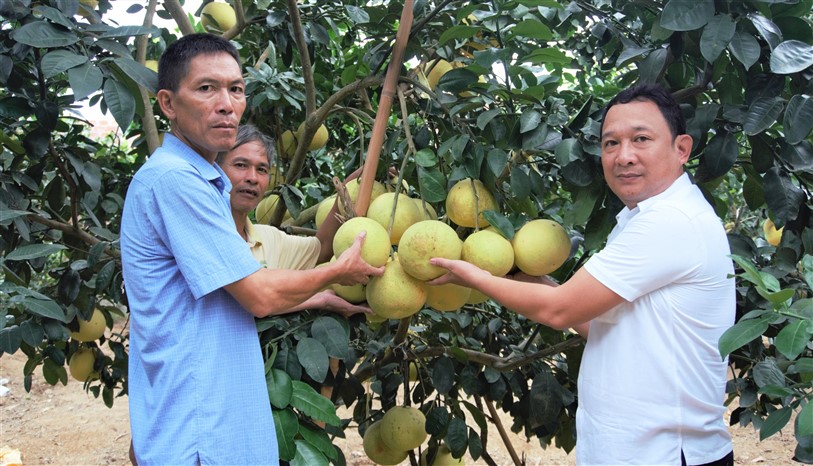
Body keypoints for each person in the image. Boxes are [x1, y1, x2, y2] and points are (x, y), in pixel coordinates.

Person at [429, 83, 735, 465]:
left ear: (681, 149)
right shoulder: (646, 217)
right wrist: (517, 275)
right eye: (611, 144)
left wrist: (475, 277)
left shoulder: (670, 222)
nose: (624, 156)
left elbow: (560, 311)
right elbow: (599, 322)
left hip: (666, 455)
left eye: (641, 139)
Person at [120, 33, 383, 465]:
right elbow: (259, 294)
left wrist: (317, 291)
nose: (226, 103)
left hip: (216, 424)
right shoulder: (176, 181)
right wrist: (337, 272)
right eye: (206, 88)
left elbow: (217, 302)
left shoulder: (200, 183)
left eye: (236, 89)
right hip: (201, 433)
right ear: (167, 104)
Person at [216, 123, 369, 316]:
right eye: (241, 165)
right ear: (215, 170)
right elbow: (257, 298)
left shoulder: (266, 238)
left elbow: (323, 247)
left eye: (262, 169)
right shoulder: (200, 229)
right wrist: (336, 273)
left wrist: (356, 183)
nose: (252, 178)